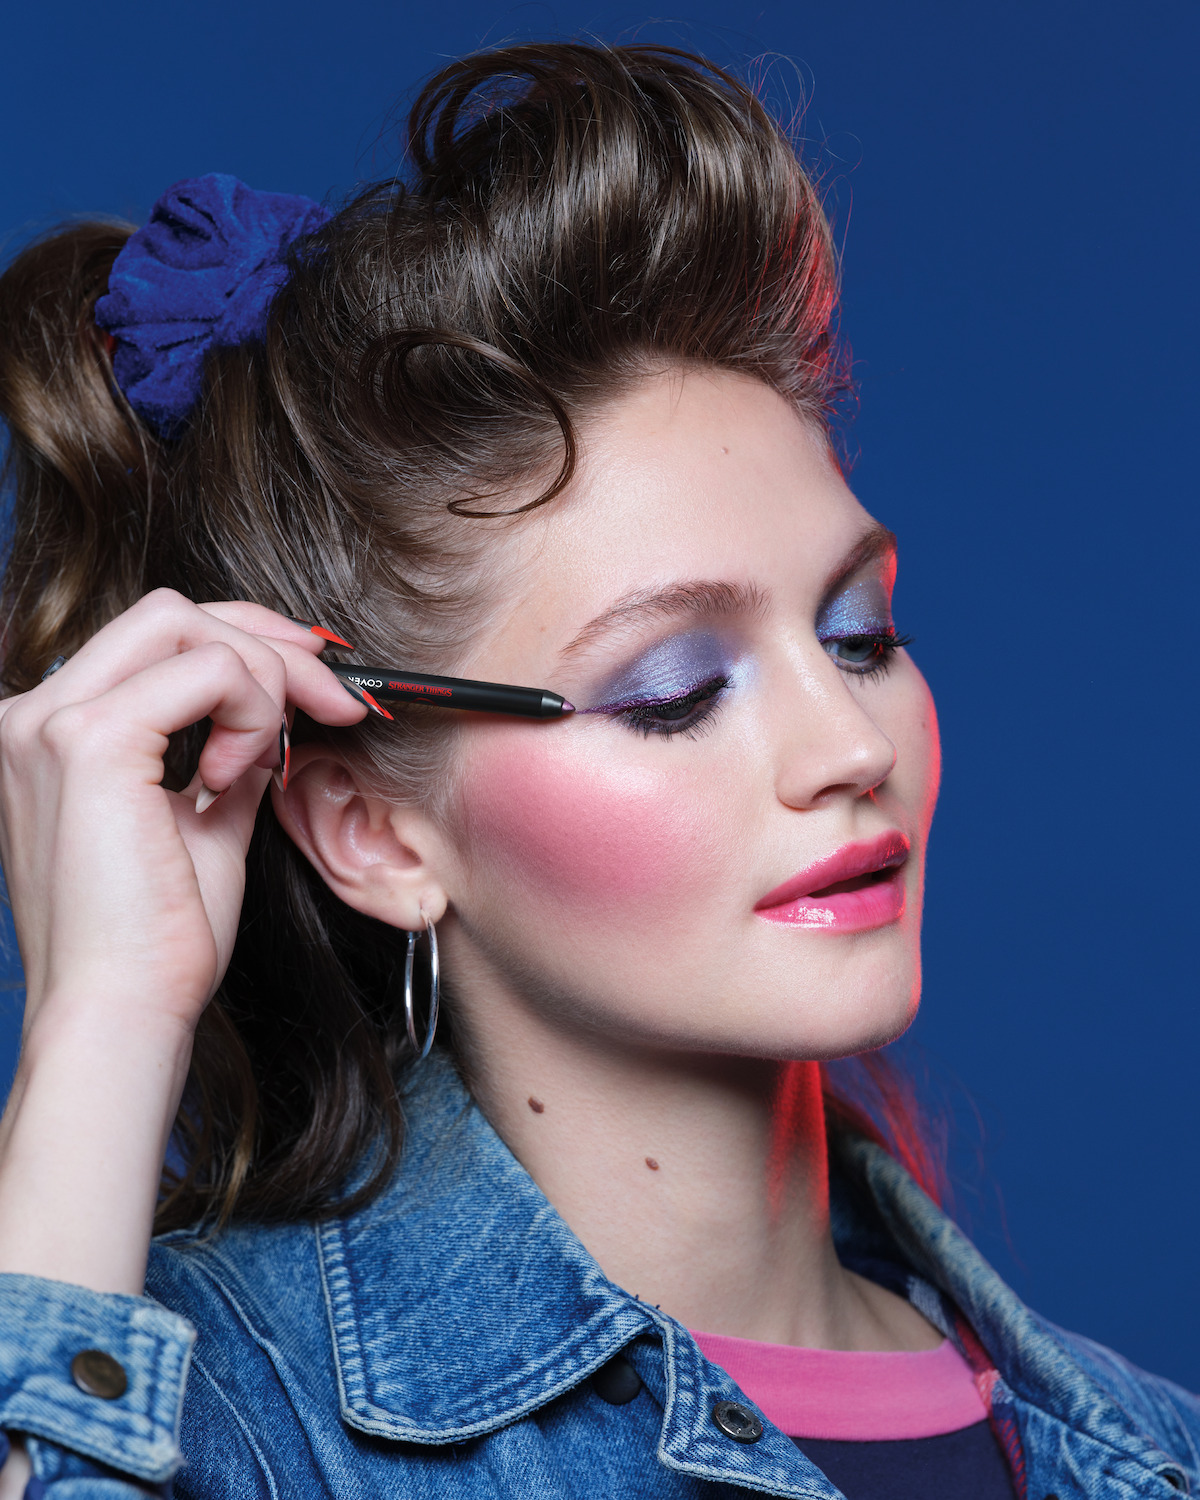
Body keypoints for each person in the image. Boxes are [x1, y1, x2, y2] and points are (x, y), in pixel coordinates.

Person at [0, 40, 1193, 1500]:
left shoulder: (1149, 1450)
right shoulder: (239, 1425)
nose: (849, 747)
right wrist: (101, 1032)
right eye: (678, 694)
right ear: (373, 833)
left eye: (862, 635)